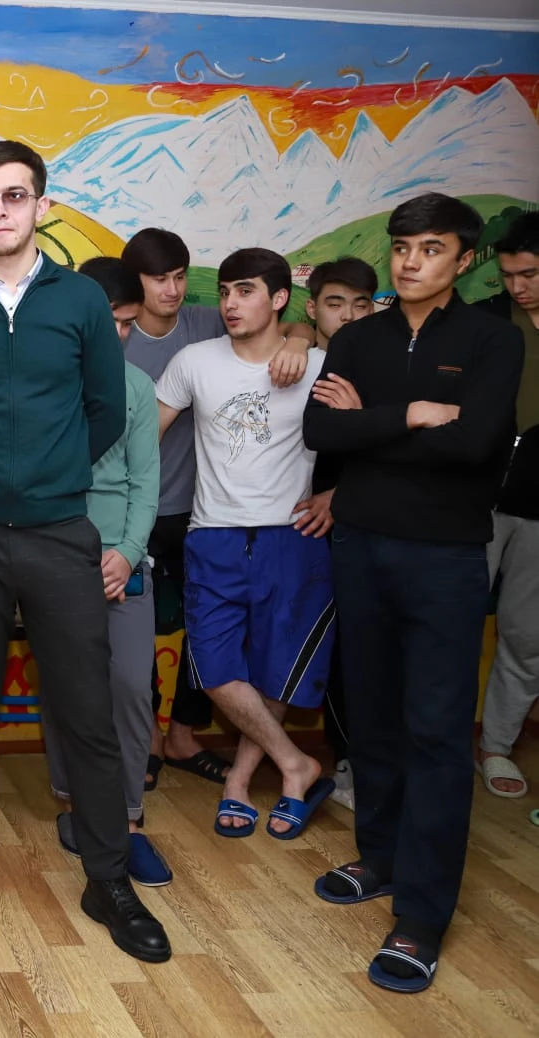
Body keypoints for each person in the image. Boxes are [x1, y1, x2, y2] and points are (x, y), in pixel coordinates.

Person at [0, 140, 169, 964]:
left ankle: (106, 876)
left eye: (13, 195)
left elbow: (103, 407)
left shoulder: (81, 301)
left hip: (59, 532)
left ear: (40, 206)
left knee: (85, 709)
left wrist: (52, 478)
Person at [305, 192, 523, 993]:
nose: (410, 261)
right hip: (360, 547)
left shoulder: (491, 339)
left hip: (444, 558)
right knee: (370, 717)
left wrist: (373, 421)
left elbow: (474, 446)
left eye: (430, 249)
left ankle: (422, 917)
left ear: (463, 260)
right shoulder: (356, 337)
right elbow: (320, 434)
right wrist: (416, 415)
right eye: (402, 247)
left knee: (434, 733)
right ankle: (381, 858)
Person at [155, 247, 337, 840]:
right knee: (214, 669)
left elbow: (367, 437)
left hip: (293, 536)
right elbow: (143, 437)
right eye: (226, 291)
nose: (231, 303)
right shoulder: (194, 361)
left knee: (276, 669)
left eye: (246, 291)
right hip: (212, 534)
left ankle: (241, 780)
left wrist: (338, 494)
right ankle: (295, 763)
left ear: (279, 298)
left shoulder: (317, 365)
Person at [122, 230, 312, 790]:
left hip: (199, 512)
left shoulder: (208, 323)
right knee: (135, 629)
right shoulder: (116, 335)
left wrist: (299, 340)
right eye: (159, 279)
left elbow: (279, 322)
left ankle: (183, 734)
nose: (173, 289)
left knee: (204, 636)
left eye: (180, 276)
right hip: (137, 509)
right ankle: (147, 738)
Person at [47, 257, 171, 885]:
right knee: (66, 686)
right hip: (53, 554)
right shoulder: (41, 378)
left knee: (128, 685)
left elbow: (146, 482)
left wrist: (125, 552)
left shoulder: (137, 387)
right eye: (110, 321)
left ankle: (127, 819)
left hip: (125, 556)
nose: (119, 334)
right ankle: (75, 805)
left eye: (127, 323)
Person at [304, 256, 379, 810]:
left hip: (370, 520)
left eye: (360, 304)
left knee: (369, 644)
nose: (349, 315)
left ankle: (368, 758)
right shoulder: (299, 360)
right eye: (336, 304)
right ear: (313, 309)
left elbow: (401, 443)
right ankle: (346, 756)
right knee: (329, 645)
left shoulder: (387, 367)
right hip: (306, 525)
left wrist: (343, 492)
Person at [474, 211, 539, 798]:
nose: (518, 286)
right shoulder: (489, 321)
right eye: (510, 274)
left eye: (530, 274)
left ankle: (496, 745)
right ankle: (427, 742)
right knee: (449, 624)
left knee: (526, 634)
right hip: (475, 502)